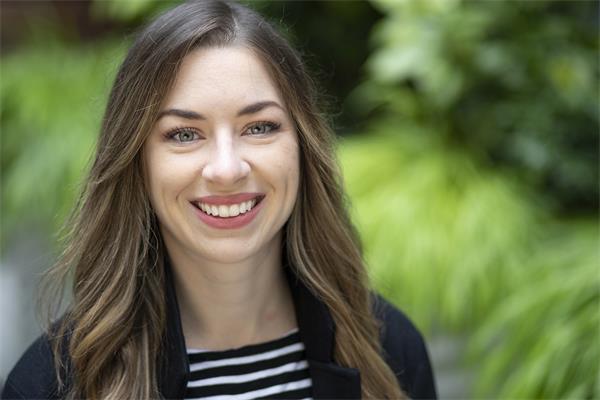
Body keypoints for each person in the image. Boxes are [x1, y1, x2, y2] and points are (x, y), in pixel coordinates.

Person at [1, 1, 437, 399]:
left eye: (259, 127)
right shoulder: (50, 386)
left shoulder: (389, 350)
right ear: (137, 163)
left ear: (303, 147)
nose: (227, 170)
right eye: (184, 134)